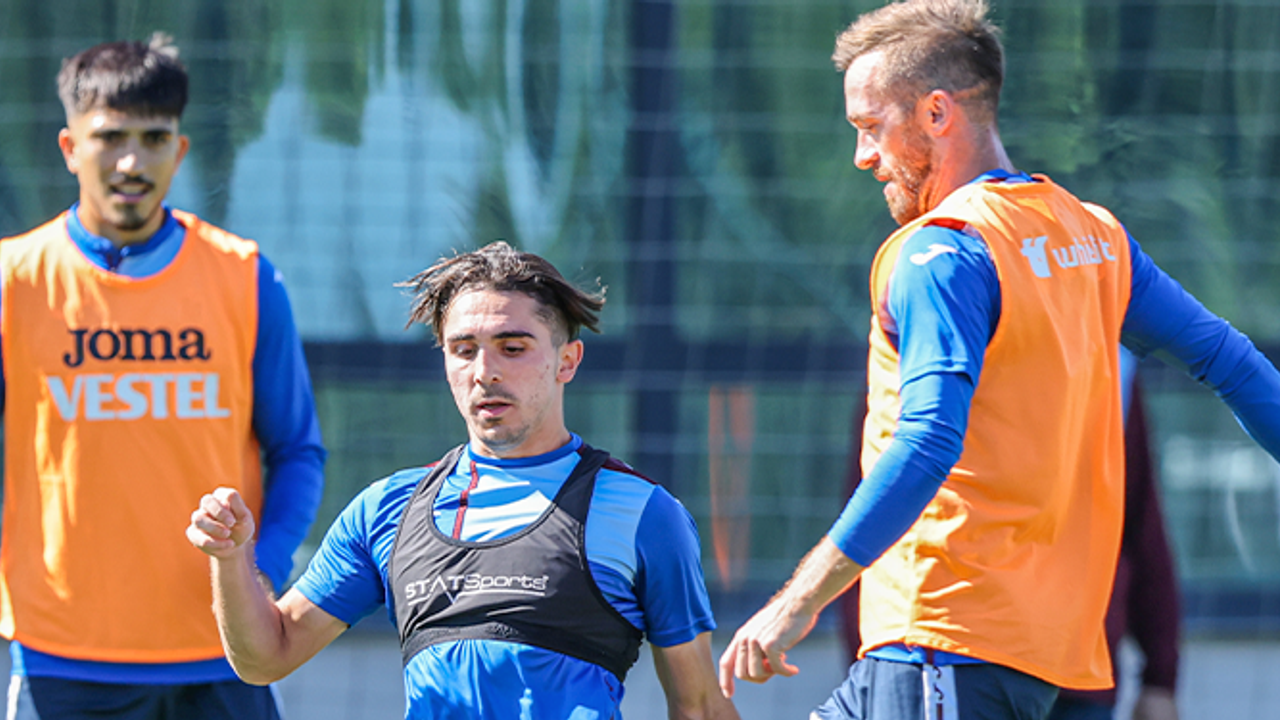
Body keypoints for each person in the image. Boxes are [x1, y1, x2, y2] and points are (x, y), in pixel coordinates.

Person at [716, 1, 1280, 718]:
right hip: (1055, 663)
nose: (862, 155)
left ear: (936, 113)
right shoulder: (1094, 238)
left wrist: (797, 600)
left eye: (870, 126)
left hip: (942, 641)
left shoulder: (942, 251)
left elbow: (928, 439)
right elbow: (1233, 363)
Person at [186, 241, 740, 720]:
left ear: (567, 361)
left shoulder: (643, 513)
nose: (484, 372)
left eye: (513, 348)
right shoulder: (387, 509)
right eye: (463, 350)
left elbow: (698, 705)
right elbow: (266, 656)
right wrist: (231, 559)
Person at [0, 34, 326, 720]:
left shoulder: (245, 278)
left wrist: (259, 570)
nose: (131, 161)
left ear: (178, 151)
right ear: (70, 148)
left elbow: (298, 450)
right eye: (110, 137)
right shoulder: (14, 282)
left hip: (223, 654)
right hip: (61, 653)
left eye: (153, 139)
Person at [837, 348, 1182, 720]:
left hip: (1068, 668)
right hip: (957, 658)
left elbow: (1139, 521)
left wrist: (1160, 676)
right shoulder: (920, 350)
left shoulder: (1109, 362)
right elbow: (873, 519)